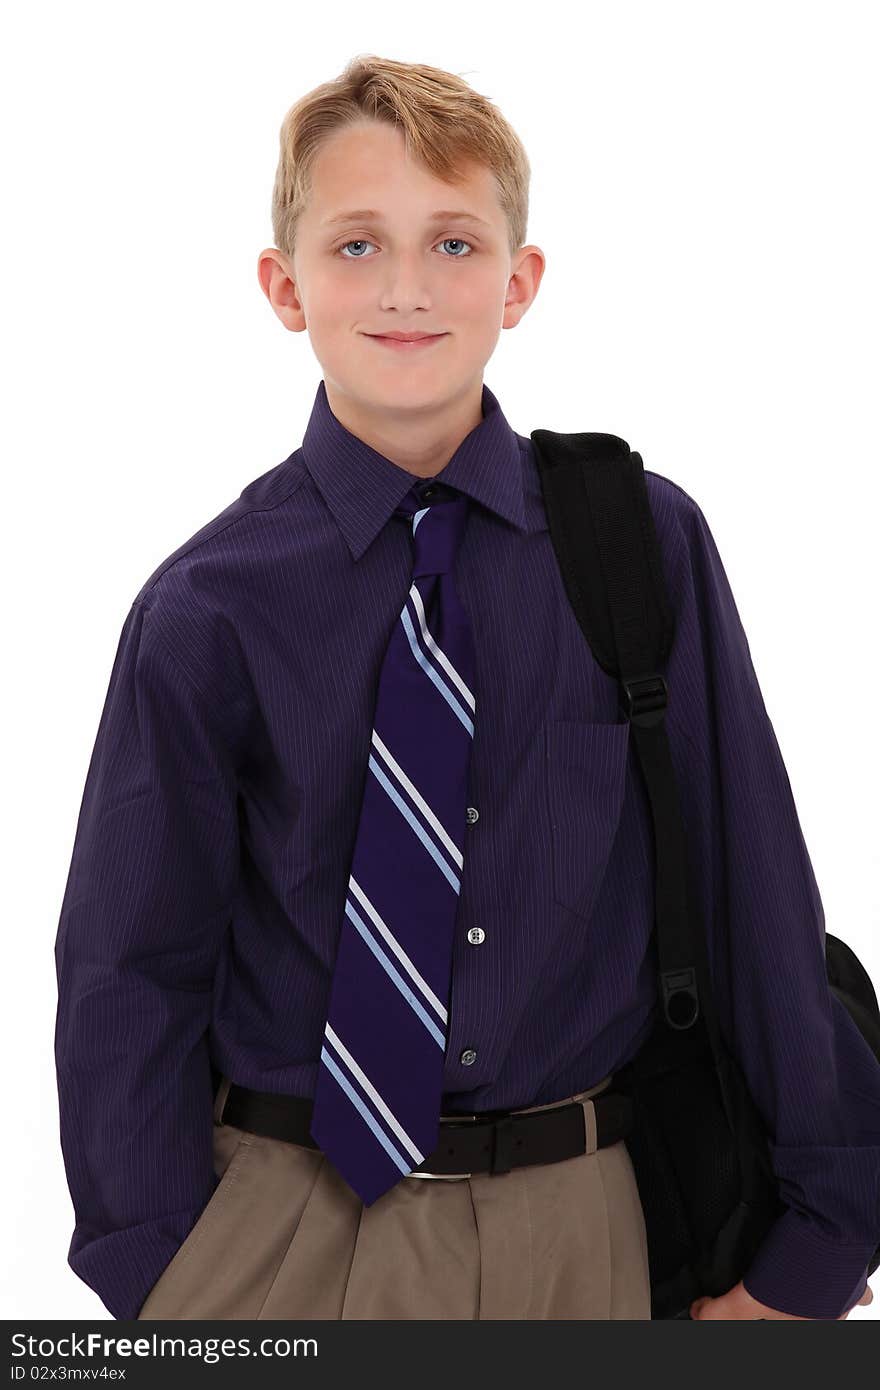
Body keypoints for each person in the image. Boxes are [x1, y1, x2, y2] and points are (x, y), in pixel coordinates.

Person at [53, 53, 879, 1322]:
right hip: (284, 1219)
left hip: (591, 1218)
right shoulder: (206, 605)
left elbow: (751, 888)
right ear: (283, 287)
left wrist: (819, 1247)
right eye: (355, 245)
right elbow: (129, 964)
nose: (404, 289)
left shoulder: (639, 542)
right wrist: (160, 1270)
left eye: (451, 242)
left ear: (520, 278)